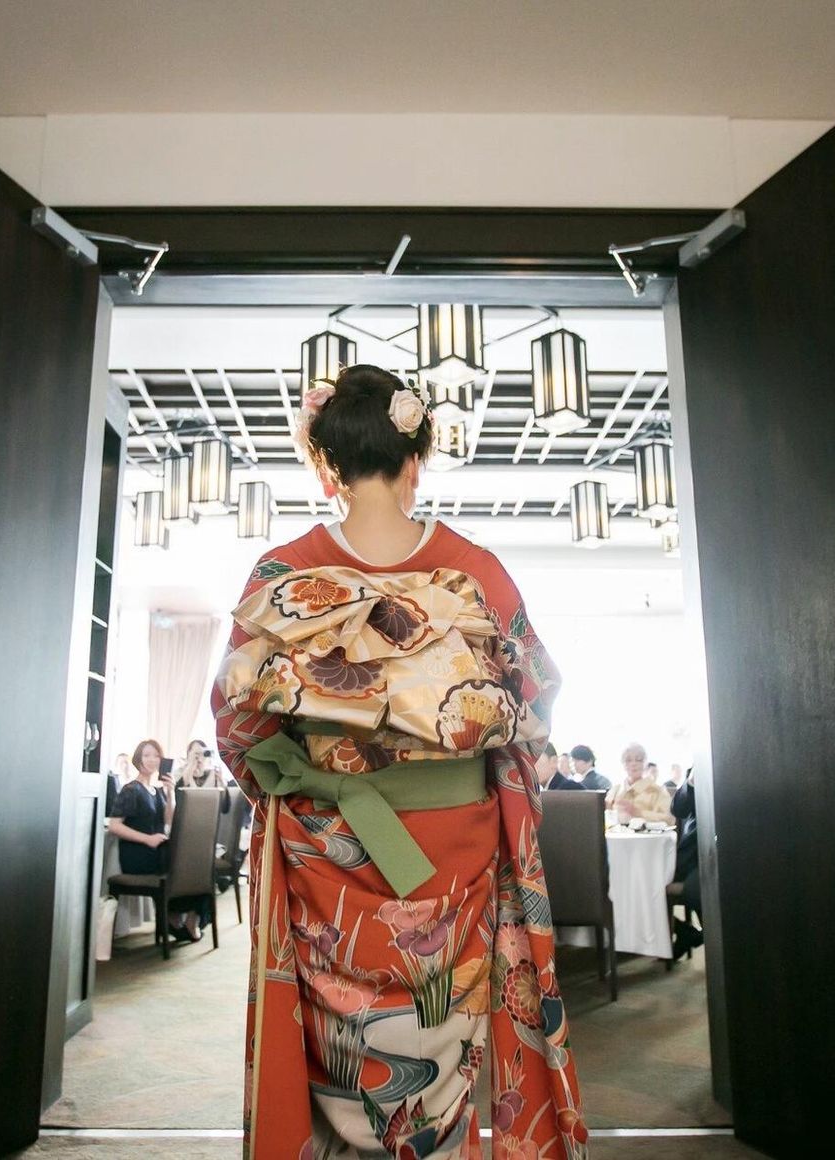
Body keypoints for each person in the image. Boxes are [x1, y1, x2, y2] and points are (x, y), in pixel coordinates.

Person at [213, 365, 588, 1159]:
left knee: (336, 1047)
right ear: (415, 459)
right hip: (454, 848)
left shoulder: (283, 573)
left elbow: (237, 724)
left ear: (329, 465)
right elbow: (532, 704)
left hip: (326, 848)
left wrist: (315, 776)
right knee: (440, 1018)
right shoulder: (476, 570)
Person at [107, 739, 210, 943]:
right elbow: (114, 826)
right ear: (138, 759)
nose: (152, 760)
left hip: (157, 851)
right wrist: (147, 839)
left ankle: (186, 917)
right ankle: (174, 917)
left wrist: (170, 793)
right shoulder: (131, 789)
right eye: (146, 755)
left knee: (202, 864)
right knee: (192, 864)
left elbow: (169, 820)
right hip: (138, 854)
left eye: (156, 756)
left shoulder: (155, 790)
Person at [670, 767, 704, 959]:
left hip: (728, 852)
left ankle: (702, 935)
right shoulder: (698, 766)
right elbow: (679, 809)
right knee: (646, 884)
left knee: (700, 887)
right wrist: (691, 782)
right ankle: (686, 931)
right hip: (693, 853)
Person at [607, 742, 674, 824]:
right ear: (622, 763)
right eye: (628, 760)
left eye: (639, 760)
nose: (633, 764)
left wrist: (639, 813)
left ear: (645, 763)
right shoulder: (615, 790)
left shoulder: (658, 791)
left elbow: (670, 819)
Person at [105, 750, 132, 817]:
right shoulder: (111, 781)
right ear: (116, 764)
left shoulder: (135, 782)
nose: (124, 766)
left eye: (126, 763)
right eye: (121, 763)